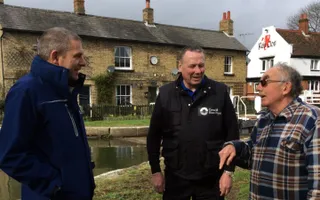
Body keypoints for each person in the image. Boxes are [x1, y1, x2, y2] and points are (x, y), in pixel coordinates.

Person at [0, 27, 95, 200]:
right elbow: (10, 155)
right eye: (77, 56)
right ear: (55, 57)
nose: (83, 62)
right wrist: (55, 186)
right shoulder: (26, 91)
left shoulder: (66, 91)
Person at [147, 46, 239, 200]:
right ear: (180, 66)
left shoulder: (220, 92)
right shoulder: (165, 94)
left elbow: (232, 136)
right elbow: (154, 136)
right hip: (176, 177)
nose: (198, 71)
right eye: (192, 66)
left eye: (201, 65)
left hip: (211, 178)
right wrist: (155, 171)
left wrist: (228, 172)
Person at [219, 63, 320, 199]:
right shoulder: (264, 120)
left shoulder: (312, 119)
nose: (258, 87)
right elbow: (252, 157)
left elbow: (317, 187)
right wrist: (235, 147)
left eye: (264, 82)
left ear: (285, 87)